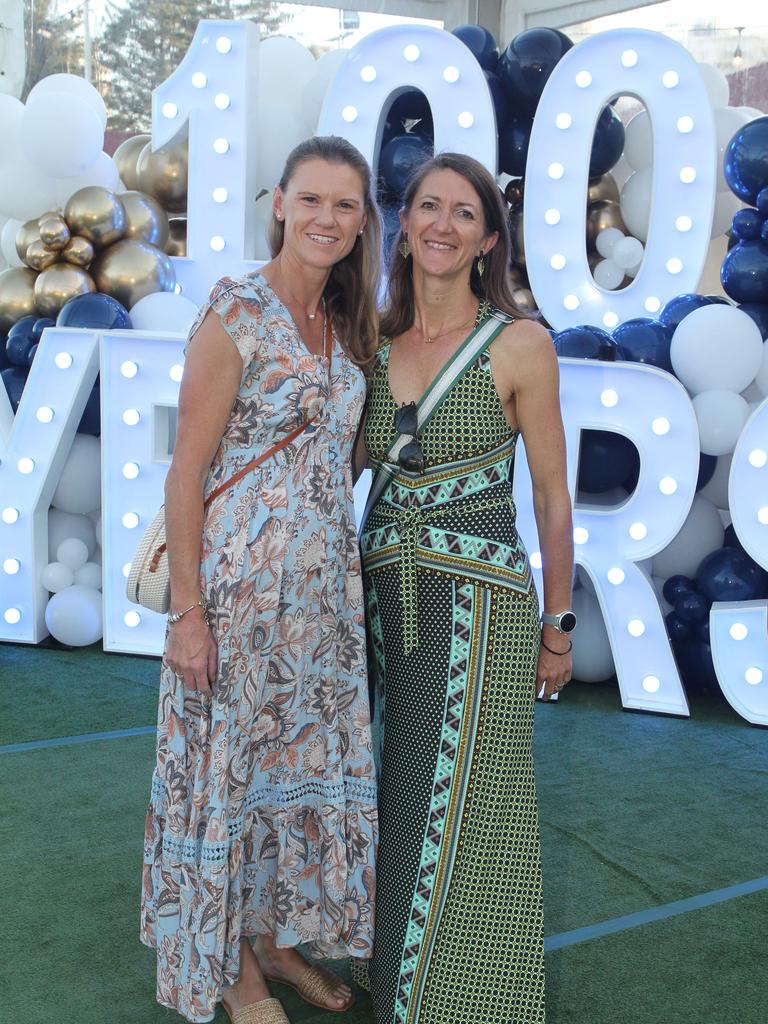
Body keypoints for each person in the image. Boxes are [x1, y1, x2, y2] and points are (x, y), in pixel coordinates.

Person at [140, 136, 382, 1024]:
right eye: (311, 199)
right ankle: (237, 970)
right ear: (279, 203)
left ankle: (279, 940)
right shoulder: (237, 311)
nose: (327, 218)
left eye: (345, 205)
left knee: (294, 768)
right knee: (231, 776)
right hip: (237, 596)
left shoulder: (350, 323)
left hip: (322, 599)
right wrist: (189, 615)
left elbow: (340, 457)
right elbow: (185, 471)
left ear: (362, 224)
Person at [358, 152, 574, 1023]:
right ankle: (399, 979)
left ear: (488, 238)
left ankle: (472, 999)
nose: (443, 224)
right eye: (427, 207)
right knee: (390, 789)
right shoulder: (368, 339)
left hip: (482, 606)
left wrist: (557, 629)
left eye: (464, 213)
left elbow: (556, 500)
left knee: (473, 804)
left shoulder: (521, 343)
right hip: (379, 598)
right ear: (404, 225)